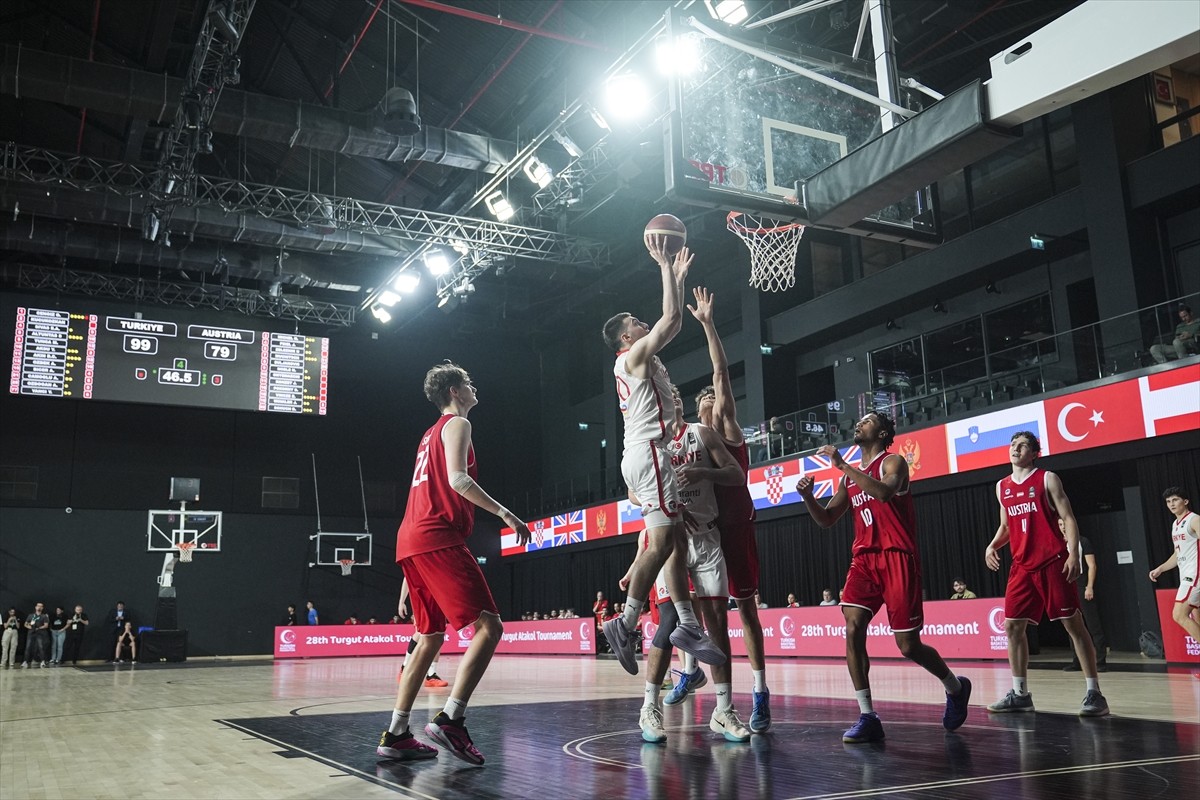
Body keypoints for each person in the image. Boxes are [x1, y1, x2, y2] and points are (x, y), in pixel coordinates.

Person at [375, 362, 532, 766]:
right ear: (454, 391)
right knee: (490, 626)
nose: (474, 386)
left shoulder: (427, 436)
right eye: (468, 382)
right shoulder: (457, 425)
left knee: (428, 638)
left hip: (412, 540)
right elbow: (458, 480)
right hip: (437, 537)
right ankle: (452, 718)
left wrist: (410, 578)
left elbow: (424, 493)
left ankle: (395, 734)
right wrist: (505, 513)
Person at [797, 412, 971, 743]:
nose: (858, 424)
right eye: (858, 420)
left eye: (866, 420)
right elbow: (827, 520)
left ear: (882, 432)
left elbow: (883, 494)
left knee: (908, 646)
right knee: (852, 627)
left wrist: (843, 466)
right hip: (864, 559)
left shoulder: (894, 463)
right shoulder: (847, 479)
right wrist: (808, 498)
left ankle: (955, 687)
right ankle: (867, 715)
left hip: (897, 557)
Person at [600, 242, 722, 677]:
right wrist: (664, 266)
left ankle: (686, 626)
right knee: (665, 542)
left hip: (648, 454)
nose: (641, 322)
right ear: (626, 338)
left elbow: (669, 329)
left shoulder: (641, 359)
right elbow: (671, 320)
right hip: (648, 454)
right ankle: (626, 621)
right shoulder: (631, 357)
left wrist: (678, 276)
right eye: (634, 322)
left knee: (672, 541)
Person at [630, 385, 749, 744]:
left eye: (676, 398)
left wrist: (703, 474)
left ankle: (723, 709)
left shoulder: (701, 434)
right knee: (668, 622)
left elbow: (737, 475)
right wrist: (669, 504)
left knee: (717, 626)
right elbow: (634, 491)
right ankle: (649, 706)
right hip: (671, 539)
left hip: (708, 538)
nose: (671, 402)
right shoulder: (651, 443)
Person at [688, 285, 772, 733]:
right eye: (701, 402)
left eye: (712, 400)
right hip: (707, 532)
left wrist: (707, 323)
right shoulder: (694, 441)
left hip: (737, 527)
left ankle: (759, 692)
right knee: (697, 612)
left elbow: (720, 373)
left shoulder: (727, 429)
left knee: (746, 611)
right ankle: (693, 670)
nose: (709, 404)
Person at [984, 431, 1108, 717]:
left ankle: (1095, 693)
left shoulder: (1047, 478)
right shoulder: (1001, 486)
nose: (1015, 448)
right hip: (1021, 566)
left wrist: (1073, 552)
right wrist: (992, 545)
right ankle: (1020, 694)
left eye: (1022, 445)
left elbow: (1068, 517)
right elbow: (1006, 527)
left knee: (1073, 625)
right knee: (1012, 627)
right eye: (1012, 444)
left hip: (1052, 560)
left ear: (1034, 452)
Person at [1149, 486, 1200, 644]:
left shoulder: (1194, 519)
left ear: (1185, 501)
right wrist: (1160, 568)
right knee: (1197, 619)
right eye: (1168, 501)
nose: (1171, 504)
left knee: (1179, 614)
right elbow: (1177, 554)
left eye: (1175, 500)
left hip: (1195, 574)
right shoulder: (1175, 525)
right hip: (1186, 573)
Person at [1065, 525, 1106, 671]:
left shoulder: (1082, 541)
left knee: (1092, 624)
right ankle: (1077, 661)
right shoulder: (1057, 542)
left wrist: (1089, 586)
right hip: (1067, 586)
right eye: (1060, 525)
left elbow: (1092, 566)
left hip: (1082, 584)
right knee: (1071, 624)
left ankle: (1100, 661)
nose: (1063, 528)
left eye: (1064, 525)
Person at [22, 602, 50, 668]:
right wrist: (29, 627)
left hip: (39, 633)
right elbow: (25, 624)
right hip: (31, 633)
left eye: (41, 606)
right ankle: (25, 661)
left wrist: (39, 628)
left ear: (42, 608)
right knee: (28, 647)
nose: (39, 607)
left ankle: (42, 661)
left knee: (41, 647)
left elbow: (46, 625)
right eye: (38, 606)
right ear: (35, 607)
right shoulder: (31, 615)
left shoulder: (44, 616)